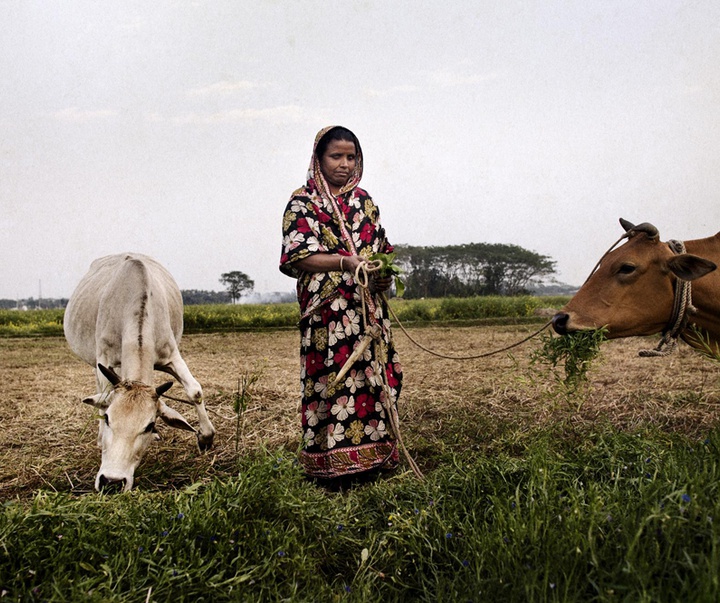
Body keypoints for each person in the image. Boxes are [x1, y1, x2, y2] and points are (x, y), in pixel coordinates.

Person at [279, 125, 402, 486]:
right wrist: (345, 262)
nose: (344, 164)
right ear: (319, 159)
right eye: (336, 156)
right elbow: (299, 256)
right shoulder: (302, 203)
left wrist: (381, 277)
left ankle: (377, 456)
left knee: (372, 381)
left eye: (351, 157)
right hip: (328, 318)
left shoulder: (365, 202)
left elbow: (382, 253)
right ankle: (329, 467)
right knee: (332, 383)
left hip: (368, 314)